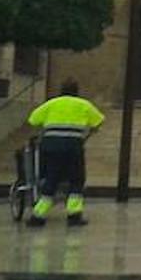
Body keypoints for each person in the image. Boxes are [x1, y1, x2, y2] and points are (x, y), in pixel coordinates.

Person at [25, 79, 104, 228]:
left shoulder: (51, 103)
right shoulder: (84, 105)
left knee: (51, 178)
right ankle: (74, 215)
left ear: (61, 91)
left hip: (50, 146)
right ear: (76, 91)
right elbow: (98, 122)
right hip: (73, 146)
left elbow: (33, 120)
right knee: (76, 179)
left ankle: (38, 215)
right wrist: (86, 135)